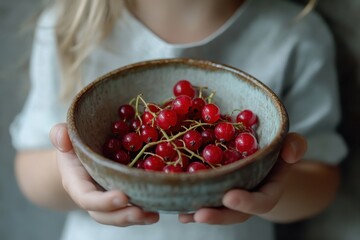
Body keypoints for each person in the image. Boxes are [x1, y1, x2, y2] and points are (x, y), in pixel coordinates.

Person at [11, 0, 348, 239]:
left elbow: (321, 180)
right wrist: (75, 169)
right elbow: (30, 170)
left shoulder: (297, 36)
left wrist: (270, 185)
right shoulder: (69, 28)